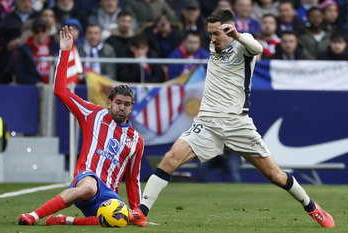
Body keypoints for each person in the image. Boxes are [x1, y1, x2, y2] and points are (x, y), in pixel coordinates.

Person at [128, 9, 335, 228]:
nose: (212, 39)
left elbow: (258, 48)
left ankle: (312, 206)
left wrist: (237, 35)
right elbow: (218, 37)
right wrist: (220, 35)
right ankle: (141, 212)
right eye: (209, 34)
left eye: (216, 33)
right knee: (169, 159)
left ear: (230, 29)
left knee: (275, 175)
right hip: (207, 122)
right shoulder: (214, 46)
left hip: (237, 123)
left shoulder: (244, 48)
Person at [18, 25, 144, 226]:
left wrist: (137, 212)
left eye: (126, 104)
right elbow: (60, 91)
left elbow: (132, 179)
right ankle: (33, 215)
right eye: (118, 103)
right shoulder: (93, 114)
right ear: (109, 102)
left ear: (131, 108)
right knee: (89, 189)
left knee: (123, 220)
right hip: (86, 178)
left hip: (108, 195)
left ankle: (65, 220)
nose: (122, 108)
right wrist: (65, 51)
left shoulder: (136, 140)